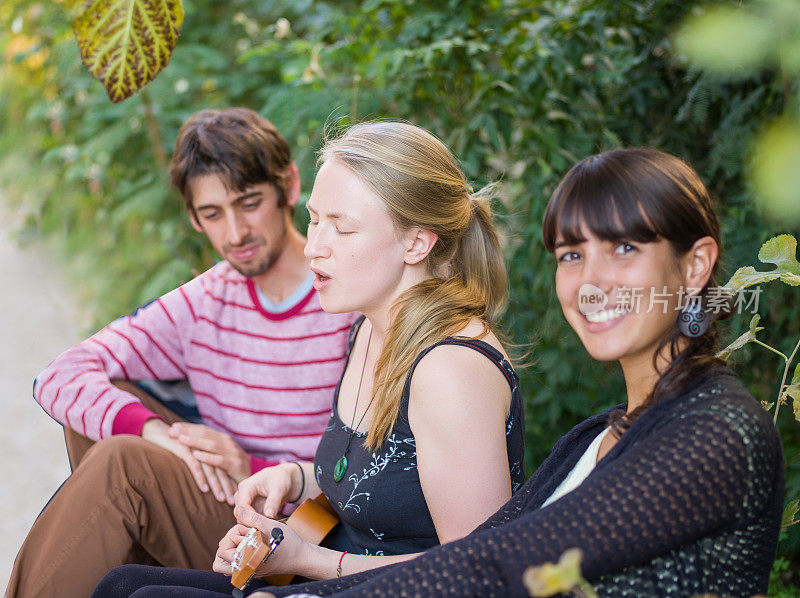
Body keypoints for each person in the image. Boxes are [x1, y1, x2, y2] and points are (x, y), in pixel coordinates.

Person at [146, 146, 781, 598]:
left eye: (624, 248)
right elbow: (491, 553)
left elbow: (497, 570)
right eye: (571, 253)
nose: (592, 281)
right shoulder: (608, 430)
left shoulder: (715, 432)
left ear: (695, 265)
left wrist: (309, 575)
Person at [91, 121, 527, 597]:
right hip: (331, 572)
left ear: (416, 243)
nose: (315, 246)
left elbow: (479, 573)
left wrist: (306, 559)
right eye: (315, 220)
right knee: (122, 584)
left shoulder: (451, 370)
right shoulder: (368, 329)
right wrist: (294, 478)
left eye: (342, 228)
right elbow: (378, 477)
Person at [6, 108, 357, 598]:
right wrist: (160, 434)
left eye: (249, 203)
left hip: (305, 528)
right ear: (194, 218)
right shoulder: (204, 301)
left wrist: (250, 468)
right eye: (213, 214)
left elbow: (373, 465)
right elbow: (60, 375)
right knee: (110, 409)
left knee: (123, 465)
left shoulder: (347, 297)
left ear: (290, 187)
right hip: (222, 511)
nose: (235, 233)